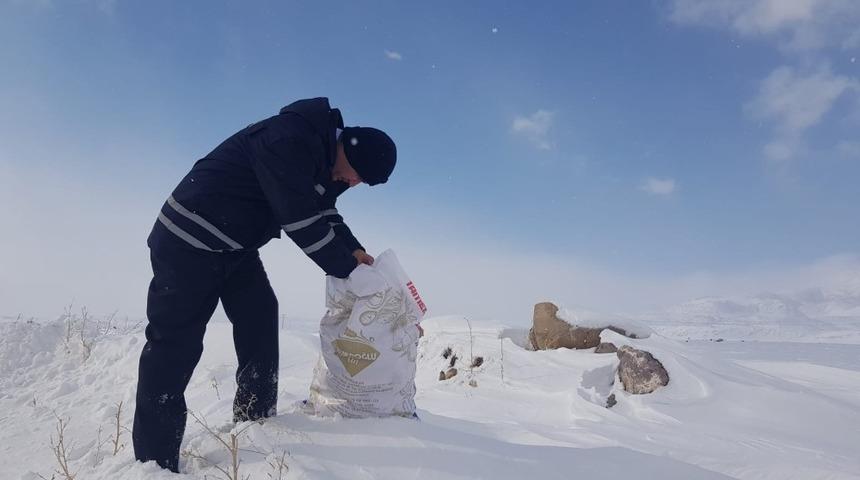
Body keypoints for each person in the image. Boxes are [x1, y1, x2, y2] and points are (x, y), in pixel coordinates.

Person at [132, 97, 396, 472]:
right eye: (356, 174)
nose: (352, 183)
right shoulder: (288, 140)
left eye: (360, 183)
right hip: (187, 238)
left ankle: (255, 421)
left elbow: (324, 211)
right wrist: (348, 271)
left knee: (259, 316)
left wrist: (355, 252)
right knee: (175, 346)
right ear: (346, 146)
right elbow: (300, 219)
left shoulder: (325, 159)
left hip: (233, 245)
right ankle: (153, 463)